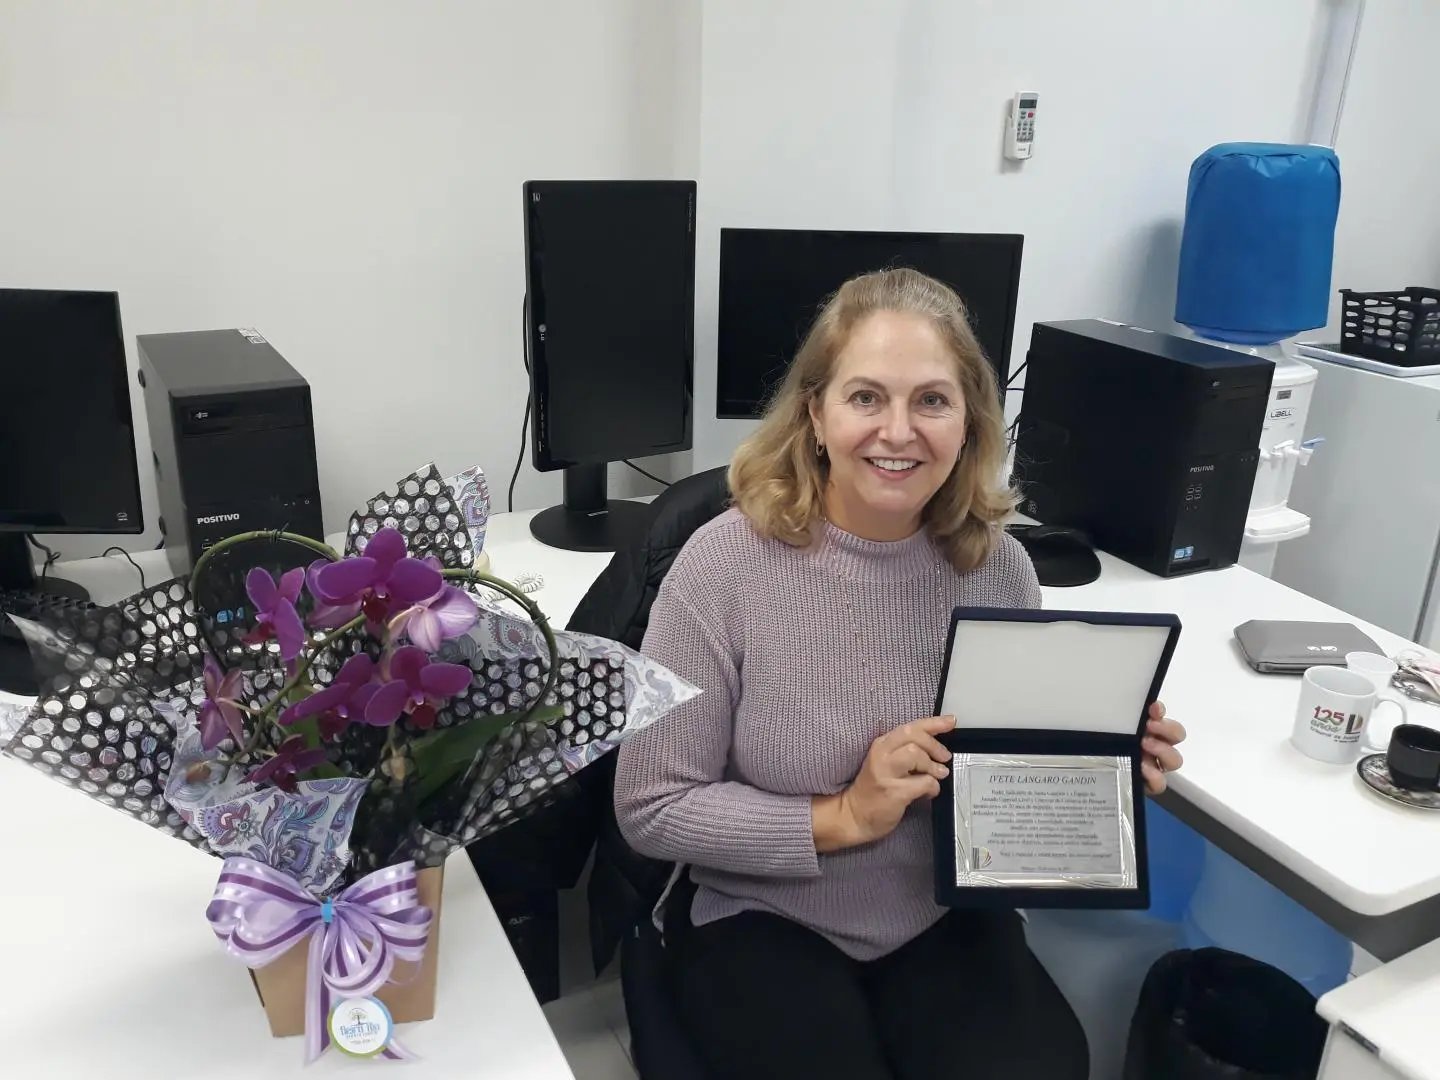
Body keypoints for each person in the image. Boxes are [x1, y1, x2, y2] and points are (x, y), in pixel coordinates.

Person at [613, 268, 1186, 1080]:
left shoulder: (1000, 570)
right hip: (762, 913)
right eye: (866, 397)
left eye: (932, 401)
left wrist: (1097, 767)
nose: (898, 431)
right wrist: (845, 814)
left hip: (938, 911)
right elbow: (651, 808)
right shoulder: (723, 568)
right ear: (816, 414)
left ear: (969, 424)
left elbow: (1000, 779)